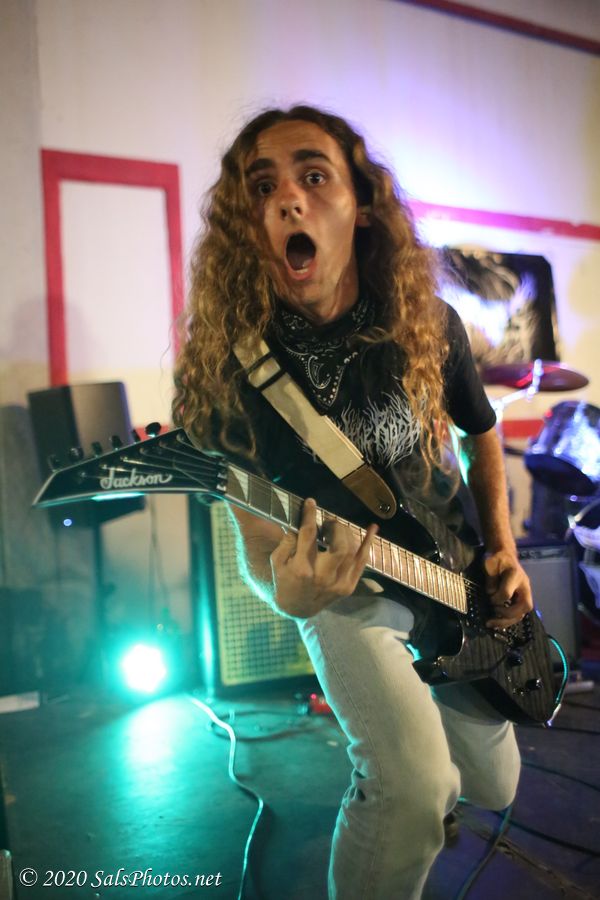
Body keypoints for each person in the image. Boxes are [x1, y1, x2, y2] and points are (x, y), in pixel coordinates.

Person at [173, 105, 532, 900]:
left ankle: (424, 773)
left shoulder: (428, 323)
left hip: (452, 576)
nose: (287, 199)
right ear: (247, 224)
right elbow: (257, 541)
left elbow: (481, 433)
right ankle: (402, 796)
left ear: (360, 206)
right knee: (412, 788)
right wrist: (288, 592)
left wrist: (502, 545)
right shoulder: (232, 368)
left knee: (494, 784)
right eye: (262, 188)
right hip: (345, 588)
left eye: (313, 176)